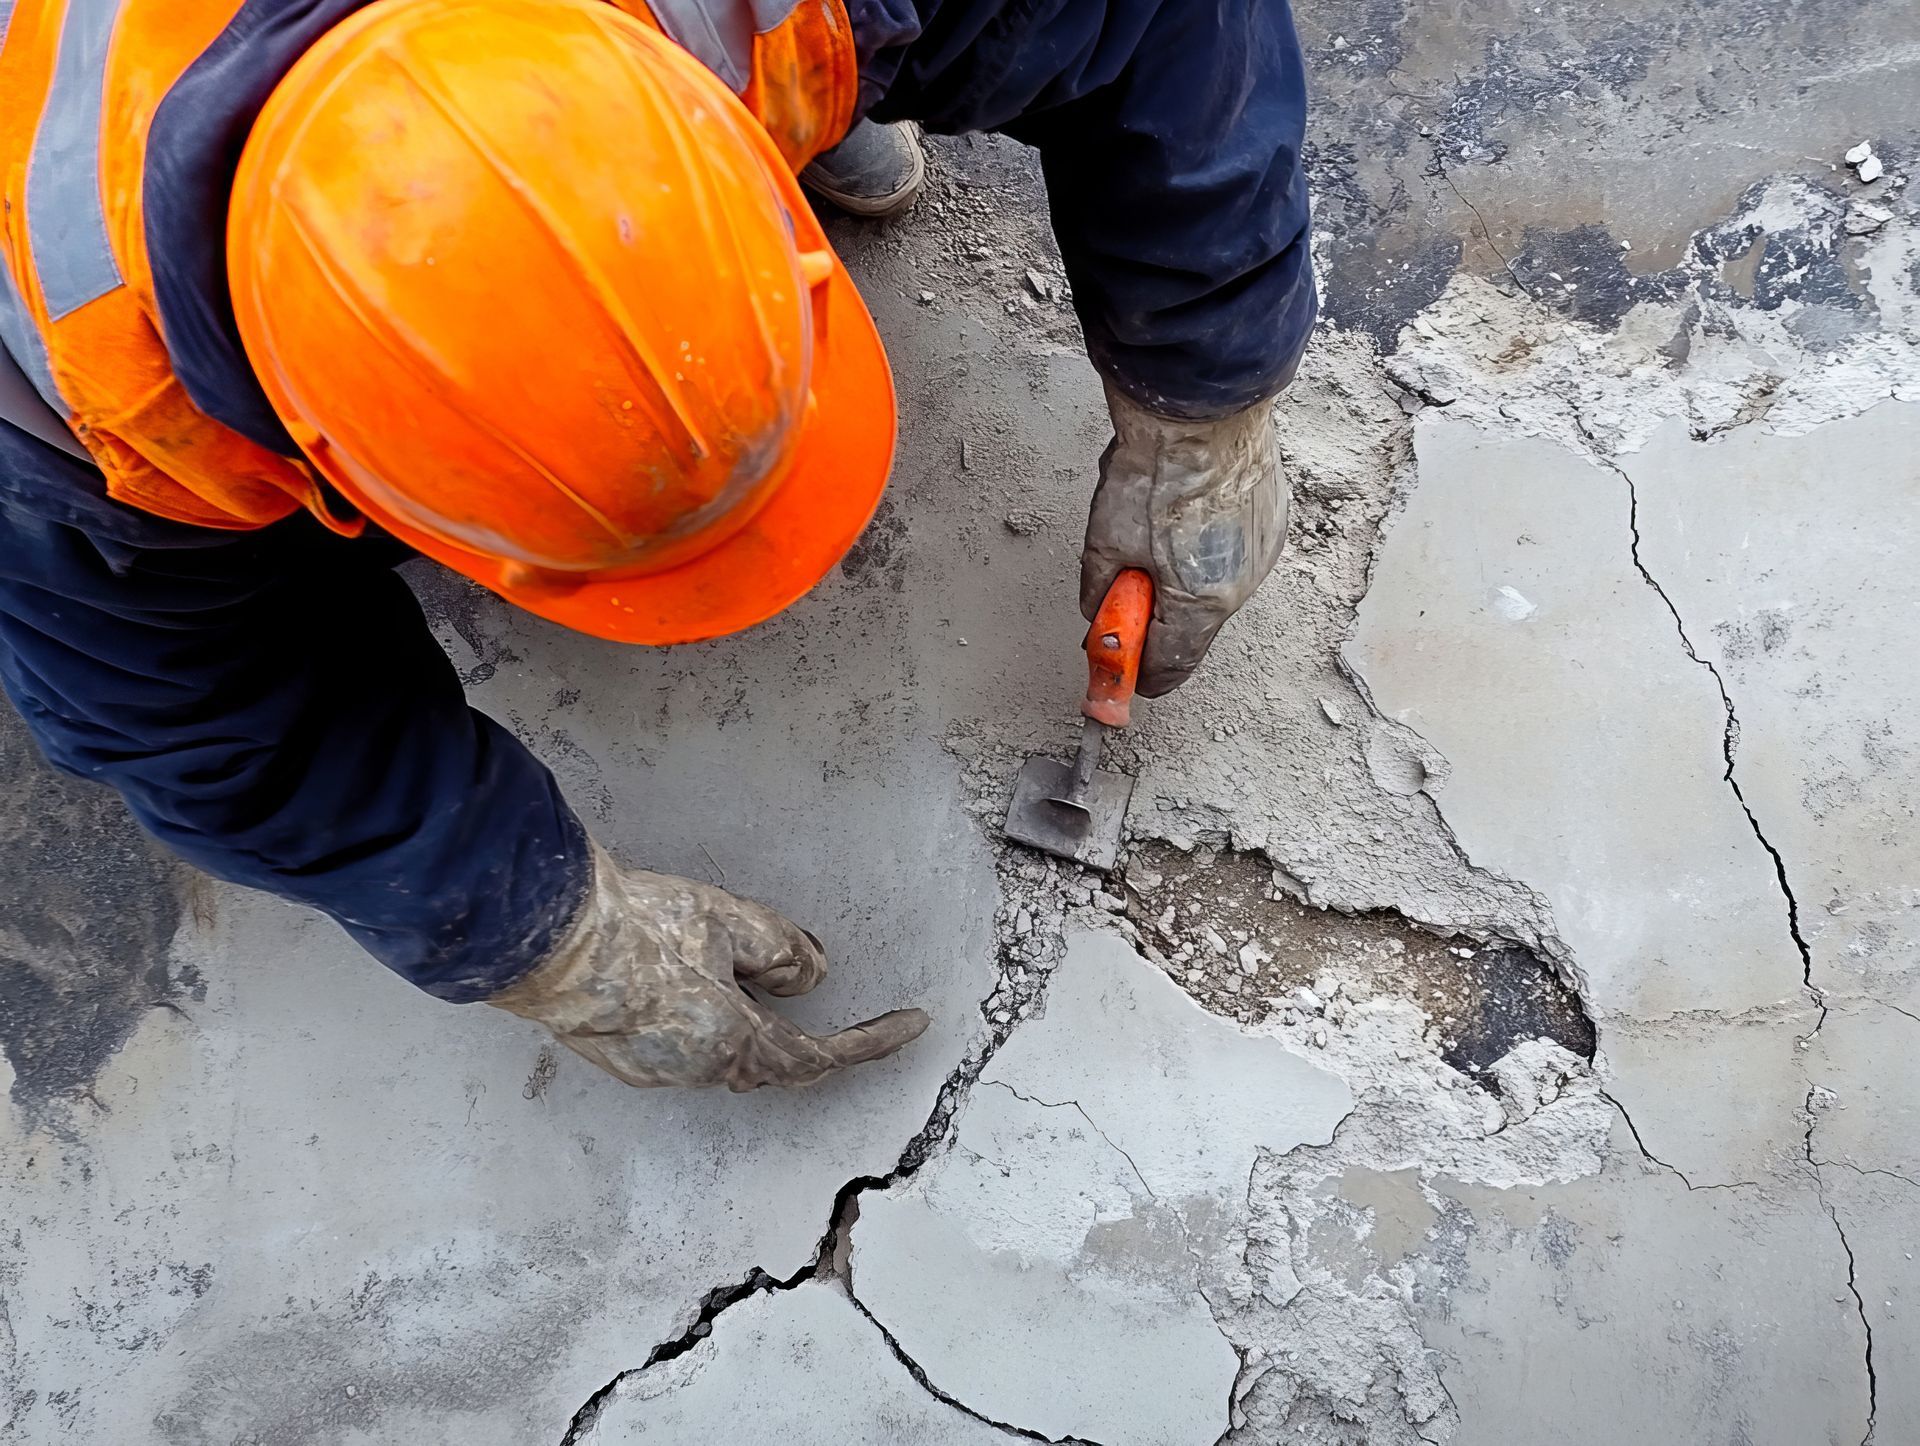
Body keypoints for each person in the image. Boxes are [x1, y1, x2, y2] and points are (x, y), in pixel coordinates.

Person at [0, 0, 1314, 1091]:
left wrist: (1205, 406)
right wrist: (549, 934)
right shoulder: (75, 409)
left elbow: (1166, 22)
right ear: (336, 466)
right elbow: (206, 715)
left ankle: (833, 83)